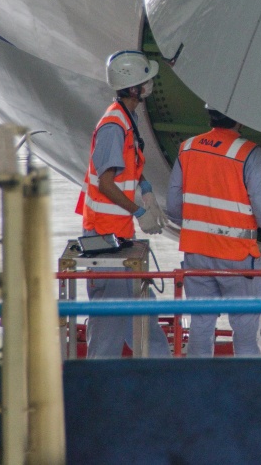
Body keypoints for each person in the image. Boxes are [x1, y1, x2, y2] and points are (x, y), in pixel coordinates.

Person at [165, 106, 261, 356]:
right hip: (237, 258)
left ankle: (199, 386)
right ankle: (249, 389)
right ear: (240, 119)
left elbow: (173, 204)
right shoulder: (248, 153)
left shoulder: (188, 147)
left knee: (201, 324)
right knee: (245, 329)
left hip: (196, 253)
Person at [79, 50, 171, 358]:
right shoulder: (113, 126)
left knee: (139, 318)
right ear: (134, 89)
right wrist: (140, 211)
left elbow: (127, 161)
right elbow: (106, 183)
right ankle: (98, 388)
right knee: (110, 325)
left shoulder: (124, 119)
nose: (151, 85)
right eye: (146, 81)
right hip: (105, 242)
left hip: (116, 238)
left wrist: (144, 187)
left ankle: (160, 374)